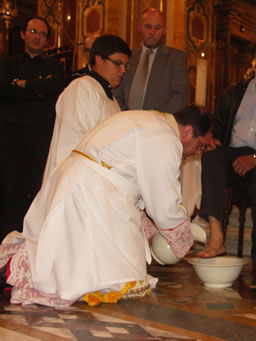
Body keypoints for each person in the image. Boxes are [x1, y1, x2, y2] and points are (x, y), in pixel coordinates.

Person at [0, 105, 213, 307]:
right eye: (201, 145)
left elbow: (132, 184)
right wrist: (184, 240)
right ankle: (14, 272)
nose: (198, 152)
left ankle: (13, 269)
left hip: (82, 181)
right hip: (92, 191)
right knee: (110, 276)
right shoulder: (165, 138)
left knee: (70, 259)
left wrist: (149, 230)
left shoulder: (150, 120)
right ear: (187, 131)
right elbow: (164, 203)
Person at [197, 39, 256, 274]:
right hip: (233, 151)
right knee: (211, 159)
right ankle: (217, 237)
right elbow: (219, 125)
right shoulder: (235, 91)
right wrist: (213, 139)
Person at [0, 16, 66, 234]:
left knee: (39, 186)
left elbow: (54, 87)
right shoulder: (8, 64)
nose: (38, 37)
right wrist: (38, 89)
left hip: (42, 134)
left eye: (43, 34)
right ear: (23, 34)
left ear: (47, 39)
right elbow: (7, 91)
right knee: (12, 187)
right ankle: (10, 237)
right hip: (12, 134)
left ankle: (34, 236)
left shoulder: (55, 66)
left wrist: (24, 85)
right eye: (33, 32)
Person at [43, 34, 131, 182]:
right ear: (99, 59)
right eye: (117, 63)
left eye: (125, 66)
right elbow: (72, 145)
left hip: (97, 181)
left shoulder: (113, 100)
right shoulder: (81, 88)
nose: (123, 70)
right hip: (75, 183)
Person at [114, 8, 190, 114]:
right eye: (148, 26)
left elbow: (180, 95)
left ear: (164, 30)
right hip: (127, 121)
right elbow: (116, 91)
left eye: (157, 28)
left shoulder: (175, 58)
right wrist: (125, 115)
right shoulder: (128, 57)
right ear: (139, 28)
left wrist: (159, 119)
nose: (152, 32)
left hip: (159, 124)